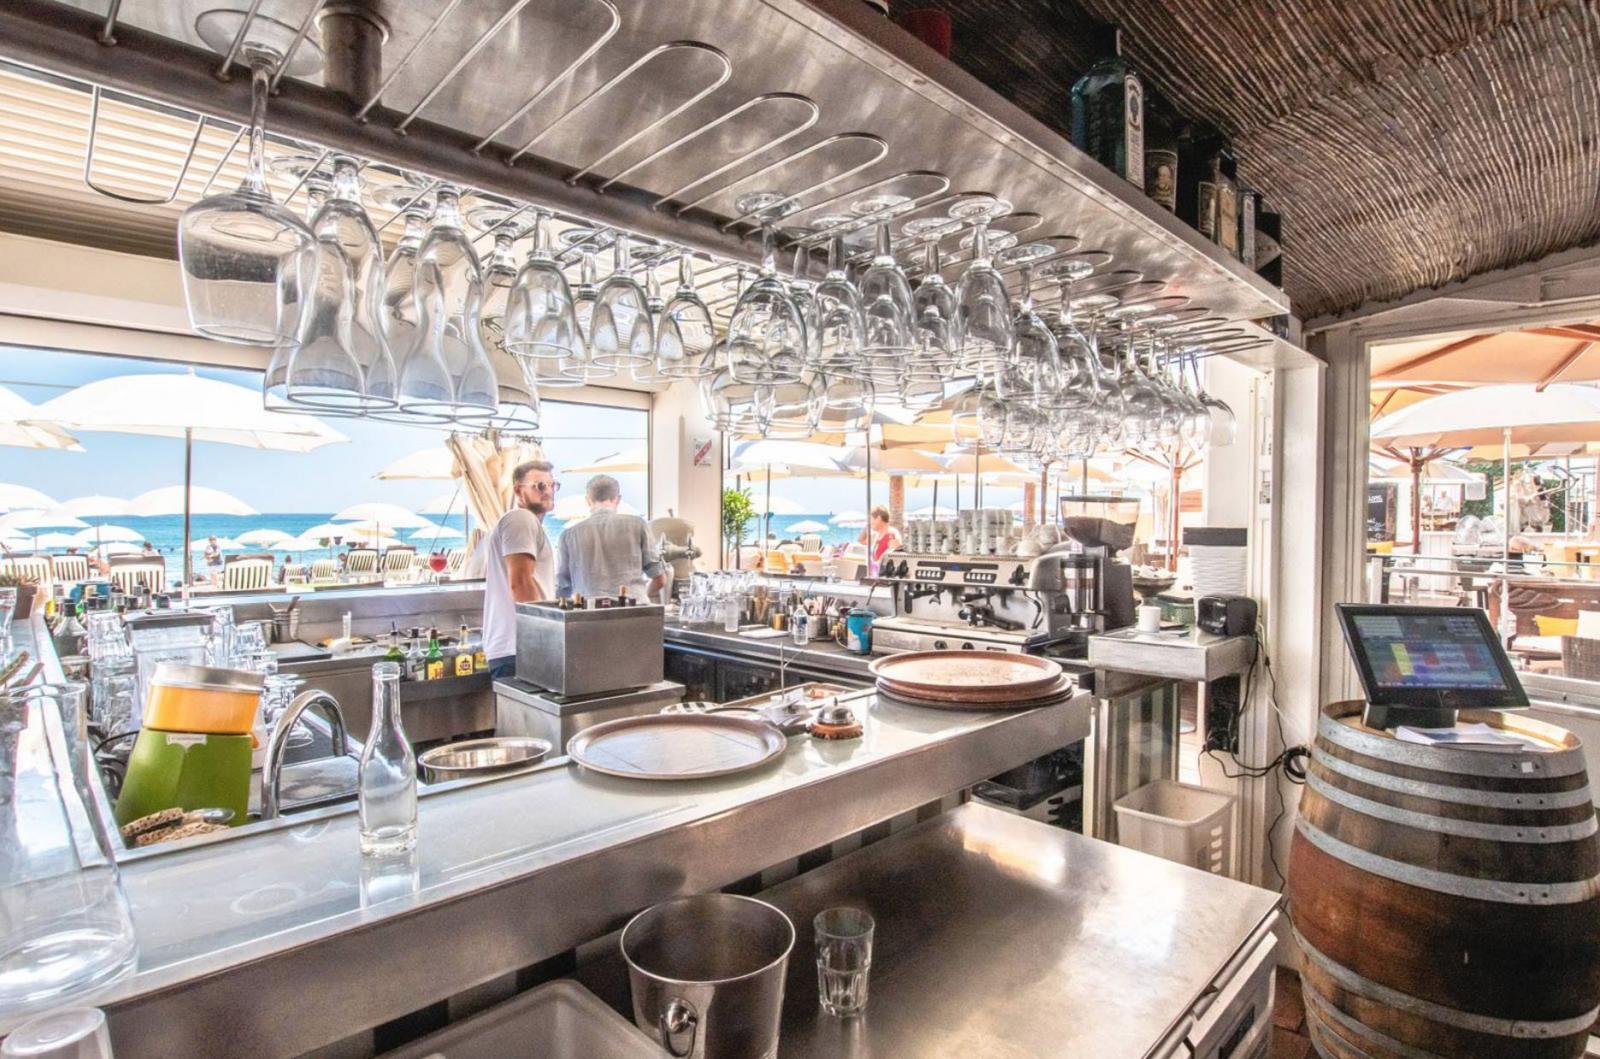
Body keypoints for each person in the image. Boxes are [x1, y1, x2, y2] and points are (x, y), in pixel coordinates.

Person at [482, 459, 557, 679]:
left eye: (552, 485)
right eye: (539, 485)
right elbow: (521, 583)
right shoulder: (520, 519)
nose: (548, 491)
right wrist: (543, 639)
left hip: (513, 648)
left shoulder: (525, 523)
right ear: (517, 490)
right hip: (521, 647)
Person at [556, 474, 667, 601]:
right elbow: (660, 579)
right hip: (633, 609)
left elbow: (563, 588)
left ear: (588, 500)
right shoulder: (638, 525)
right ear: (618, 499)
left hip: (588, 610)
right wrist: (640, 598)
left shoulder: (568, 536)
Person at [857, 505, 902, 570]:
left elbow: (893, 556)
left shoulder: (892, 534)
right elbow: (861, 541)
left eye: (870, 519)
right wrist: (868, 525)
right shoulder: (876, 535)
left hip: (882, 573)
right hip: (874, 572)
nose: (869, 522)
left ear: (878, 518)